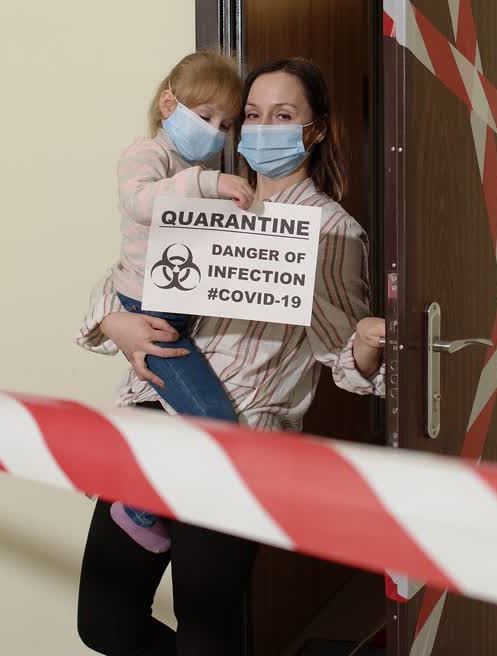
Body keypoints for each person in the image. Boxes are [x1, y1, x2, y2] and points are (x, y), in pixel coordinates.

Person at [76, 57, 386, 656]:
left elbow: (343, 362)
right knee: (104, 623)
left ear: (314, 129)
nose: (263, 127)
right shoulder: (201, 195)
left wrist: (369, 342)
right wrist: (116, 323)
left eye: (284, 115)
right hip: (150, 418)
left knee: (207, 641)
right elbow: (124, 279)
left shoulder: (331, 231)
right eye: (252, 115)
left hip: (238, 445)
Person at [107, 51, 257, 555]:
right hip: (151, 308)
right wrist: (210, 183)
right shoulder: (146, 155)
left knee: (197, 418)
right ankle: (138, 507)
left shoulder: (187, 168)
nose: (216, 132)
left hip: (174, 306)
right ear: (169, 103)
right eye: (206, 117)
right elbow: (140, 201)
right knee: (214, 421)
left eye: (225, 123)